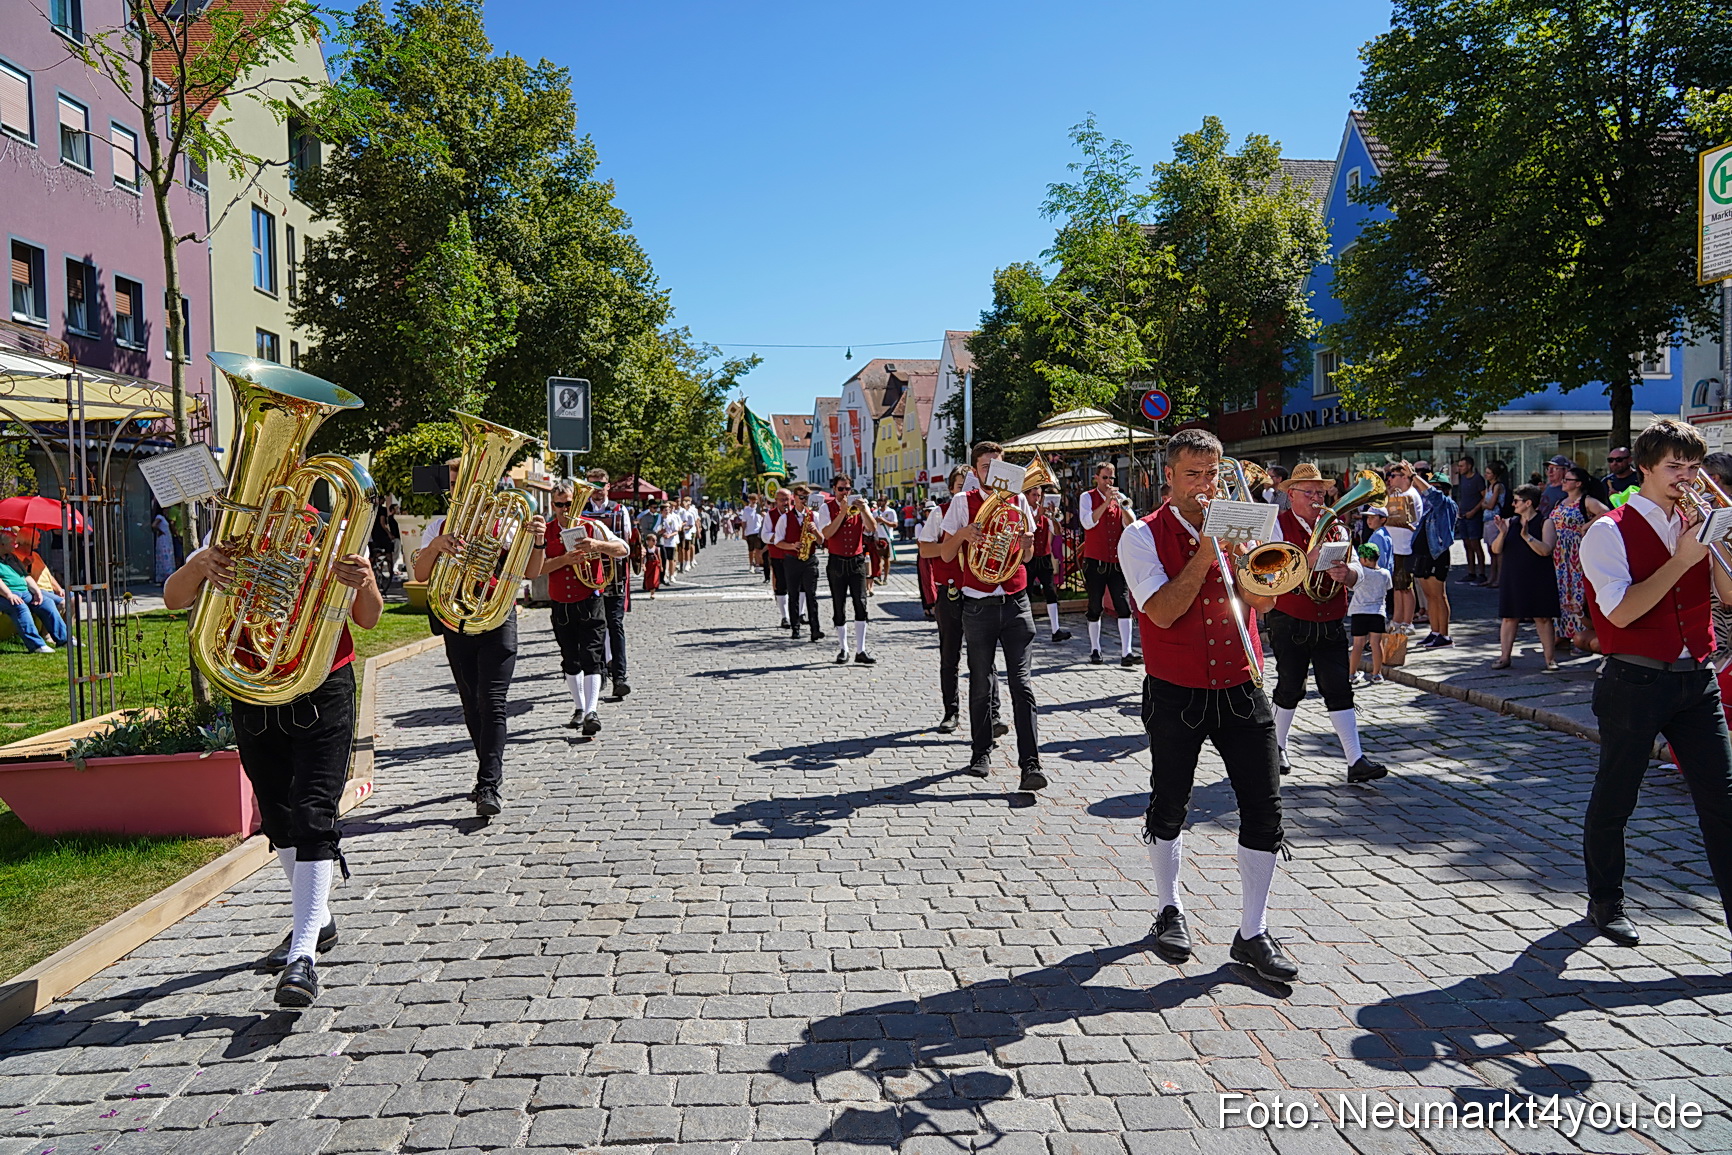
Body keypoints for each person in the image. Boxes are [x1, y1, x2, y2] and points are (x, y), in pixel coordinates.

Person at [163, 517, 382, 1006]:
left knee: (313, 812)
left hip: (322, 684)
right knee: (278, 816)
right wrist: (199, 566)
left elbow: (368, 619)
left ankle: (303, 956)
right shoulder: (229, 533)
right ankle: (318, 922)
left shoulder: (336, 530)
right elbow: (174, 598)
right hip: (254, 687)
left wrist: (366, 582)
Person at [1119, 427, 1298, 983]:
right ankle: (1169, 908)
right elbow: (1163, 612)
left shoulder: (1242, 522)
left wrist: (1248, 561)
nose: (1204, 485)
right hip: (1176, 689)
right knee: (1170, 802)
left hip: (1242, 685)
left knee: (1265, 809)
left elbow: (1264, 602)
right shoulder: (1140, 536)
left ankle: (1253, 931)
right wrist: (1205, 551)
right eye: (1192, 474)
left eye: (1212, 474)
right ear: (1169, 476)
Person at [1577, 419, 1732, 950]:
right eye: (1674, 466)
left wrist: (1717, 541)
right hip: (1634, 679)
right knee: (1617, 796)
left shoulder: (1697, 521)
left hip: (1698, 678)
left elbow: (1728, 597)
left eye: (1694, 467)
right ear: (1644, 468)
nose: (1687, 477)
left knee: (1724, 802)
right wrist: (1682, 559)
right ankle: (1606, 901)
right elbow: (1620, 613)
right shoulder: (1607, 531)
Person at [413, 475, 548, 817]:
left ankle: (489, 782)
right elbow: (420, 574)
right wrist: (435, 547)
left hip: (497, 618)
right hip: (456, 621)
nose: (462, 491)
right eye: (456, 485)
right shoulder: (438, 526)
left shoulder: (506, 526)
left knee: (493, 701)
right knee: (472, 703)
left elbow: (532, 572)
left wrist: (538, 542)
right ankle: (487, 770)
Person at [1266, 464, 1386, 783]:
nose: (1317, 498)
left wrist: (1349, 574)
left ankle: (1355, 759)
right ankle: (1277, 747)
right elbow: (1270, 573)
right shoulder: (1276, 526)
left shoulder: (1339, 529)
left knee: (1339, 687)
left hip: (1330, 617)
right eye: (1309, 492)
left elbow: (1357, 569)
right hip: (1289, 617)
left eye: (1320, 492)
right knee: (1291, 685)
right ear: (1292, 495)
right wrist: (1307, 559)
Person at [938, 442, 1044, 791]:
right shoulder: (961, 502)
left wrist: (1027, 545)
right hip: (978, 605)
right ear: (975, 470)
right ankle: (980, 752)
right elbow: (945, 554)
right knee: (981, 683)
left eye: (998, 466)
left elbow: (1026, 558)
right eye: (986, 466)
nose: (993, 472)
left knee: (1022, 685)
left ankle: (1031, 764)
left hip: (1016, 602)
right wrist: (963, 534)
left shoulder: (1019, 500)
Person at [542, 479, 631, 735]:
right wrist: (563, 560)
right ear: (553, 505)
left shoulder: (592, 526)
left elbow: (623, 549)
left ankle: (592, 711)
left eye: (569, 504)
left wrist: (598, 546)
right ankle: (580, 707)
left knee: (592, 656)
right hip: (561, 603)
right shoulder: (545, 532)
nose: (564, 509)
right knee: (570, 658)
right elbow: (534, 569)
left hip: (590, 599)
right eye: (559, 505)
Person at [918, 468, 1001, 736]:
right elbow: (924, 549)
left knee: (985, 657)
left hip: (980, 591)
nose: (966, 489)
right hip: (951, 591)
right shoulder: (940, 513)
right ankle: (951, 711)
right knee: (950, 654)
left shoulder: (991, 512)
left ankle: (993, 713)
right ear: (951, 489)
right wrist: (954, 541)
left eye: (971, 484)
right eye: (960, 485)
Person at [1489, 484, 1560, 671]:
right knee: (1509, 617)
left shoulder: (1545, 522)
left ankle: (1550, 659)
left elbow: (1546, 550)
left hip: (1538, 576)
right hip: (1513, 575)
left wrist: (1527, 536)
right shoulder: (1510, 522)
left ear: (1528, 503)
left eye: (1516, 501)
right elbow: (1496, 549)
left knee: (1542, 617)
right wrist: (1502, 534)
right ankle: (1504, 657)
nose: (1513, 504)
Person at [1078, 461, 1140, 667]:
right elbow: (1088, 522)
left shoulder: (1120, 498)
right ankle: (1095, 649)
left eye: (1112, 478)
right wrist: (1105, 502)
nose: (1109, 482)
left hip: (1117, 562)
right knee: (1095, 605)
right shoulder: (1087, 497)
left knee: (1123, 605)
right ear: (1096, 478)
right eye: (1105, 478)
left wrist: (1122, 506)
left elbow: (1131, 524)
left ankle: (1126, 652)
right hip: (1095, 561)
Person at [1550, 465, 1611, 653]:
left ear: (1578, 483)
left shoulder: (1587, 501)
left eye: (1567, 479)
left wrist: (1587, 525)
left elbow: (1606, 512)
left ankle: (1580, 631)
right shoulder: (1561, 502)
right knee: (1561, 592)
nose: (1563, 482)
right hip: (1560, 555)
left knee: (1578, 591)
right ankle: (1562, 633)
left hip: (1577, 553)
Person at [585, 469, 634, 697]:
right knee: (594, 628)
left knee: (615, 625)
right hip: (588, 577)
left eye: (600, 485)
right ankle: (600, 672)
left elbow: (626, 543)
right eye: (592, 485)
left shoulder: (620, 510)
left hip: (614, 577)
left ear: (608, 486)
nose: (597, 490)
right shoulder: (580, 511)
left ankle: (620, 676)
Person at [816, 474, 873, 663]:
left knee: (861, 604)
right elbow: (826, 534)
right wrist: (841, 513)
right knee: (838, 605)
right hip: (837, 562)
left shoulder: (860, 505)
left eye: (847, 489)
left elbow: (872, 528)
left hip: (856, 561)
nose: (844, 493)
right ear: (834, 489)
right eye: (841, 489)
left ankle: (861, 650)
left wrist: (864, 511)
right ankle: (843, 649)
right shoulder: (826, 508)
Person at [1406, 467, 1457, 649]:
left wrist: (1414, 476)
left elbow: (1433, 495)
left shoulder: (1447, 504)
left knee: (1438, 595)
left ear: (1445, 489)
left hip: (1437, 555)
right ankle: (1435, 632)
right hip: (1423, 555)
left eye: (1437, 487)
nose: (1430, 490)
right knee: (1429, 596)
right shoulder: (1428, 509)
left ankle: (1444, 635)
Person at [0, 528, 68, 649]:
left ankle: (64, 639)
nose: (16, 545)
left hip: (24, 591)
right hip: (5, 594)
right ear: (2, 544)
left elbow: (25, 576)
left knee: (47, 602)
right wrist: (9, 594)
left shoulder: (12, 557)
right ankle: (37, 645)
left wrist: (37, 592)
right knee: (20, 607)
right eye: (12, 543)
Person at [1025, 484, 1072, 643]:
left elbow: (1057, 532)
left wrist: (1053, 518)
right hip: (1029, 558)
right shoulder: (1025, 512)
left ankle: (1055, 629)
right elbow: (1028, 528)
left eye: (1039, 496)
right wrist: (1039, 515)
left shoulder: (1046, 515)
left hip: (1044, 558)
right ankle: (1026, 629)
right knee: (1026, 593)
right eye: (1034, 495)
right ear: (1027, 496)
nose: (1037, 499)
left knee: (1051, 591)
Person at [783, 484, 824, 644]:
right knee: (793, 595)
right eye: (801, 497)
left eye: (806, 497)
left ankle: (815, 629)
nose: (804, 500)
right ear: (794, 498)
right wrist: (792, 546)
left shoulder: (814, 516)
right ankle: (795, 628)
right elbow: (778, 541)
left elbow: (821, 540)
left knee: (811, 595)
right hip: (792, 560)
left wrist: (815, 531)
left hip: (810, 559)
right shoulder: (785, 518)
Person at [1382, 464, 1420, 634]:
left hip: (1405, 547)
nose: (1389, 479)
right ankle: (1397, 620)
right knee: (1397, 586)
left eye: (1393, 476)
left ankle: (1407, 622)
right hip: (1395, 546)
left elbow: (1410, 521)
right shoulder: (1396, 494)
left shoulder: (1410, 495)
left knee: (1405, 586)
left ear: (1404, 477)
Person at [1347, 544, 1392, 684]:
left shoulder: (1361, 573)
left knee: (1358, 644)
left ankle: (1352, 673)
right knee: (1376, 644)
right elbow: (1388, 587)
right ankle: (1377, 674)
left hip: (1359, 611)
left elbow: (1351, 586)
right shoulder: (1385, 573)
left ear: (1365, 559)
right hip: (1377, 612)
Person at [763, 488, 800, 628]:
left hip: (795, 554)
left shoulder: (797, 513)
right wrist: (777, 537)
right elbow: (764, 535)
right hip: (778, 554)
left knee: (799, 585)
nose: (785, 503)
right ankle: (785, 616)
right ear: (776, 501)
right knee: (781, 585)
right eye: (782, 500)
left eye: (787, 499)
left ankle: (800, 613)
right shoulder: (770, 515)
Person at [1454, 456, 1487, 584]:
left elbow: (1484, 497)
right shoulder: (1462, 479)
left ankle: (1482, 573)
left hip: (1474, 517)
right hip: (1463, 515)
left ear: (1469, 466)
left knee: (1475, 544)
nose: (1459, 468)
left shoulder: (1478, 479)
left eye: (1462, 466)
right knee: (1466, 544)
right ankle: (1471, 572)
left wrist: (1474, 511)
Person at [1481, 461, 1510, 588]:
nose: (1486, 475)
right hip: (1487, 519)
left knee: (1497, 551)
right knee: (1490, 550)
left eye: (1488, 473)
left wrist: (1485, 505)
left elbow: (1490, 505)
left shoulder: (1498, 486)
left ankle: (1499, 578)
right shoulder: (1490, 486)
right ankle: (1492, 577)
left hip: (1495, 520)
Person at [151, 502, 174, 585]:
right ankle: (166, 575)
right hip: (163, 540)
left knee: (167, 557)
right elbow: (153, 525)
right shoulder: (159, 517)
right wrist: (160, 531)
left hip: (166, 539)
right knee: (165, 558)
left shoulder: (163, 517)